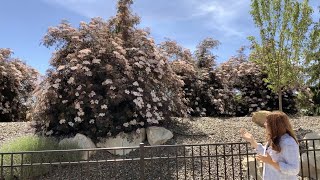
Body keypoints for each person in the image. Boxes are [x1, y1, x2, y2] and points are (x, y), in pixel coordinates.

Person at [240, 111, 300, 180]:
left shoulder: (288, 142)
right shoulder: (274, 138)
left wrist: (271, 162)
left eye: (267, 123)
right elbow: (267, 155)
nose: (265, 124)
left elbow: (294, 169)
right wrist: (252, 141)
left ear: (275, 126)